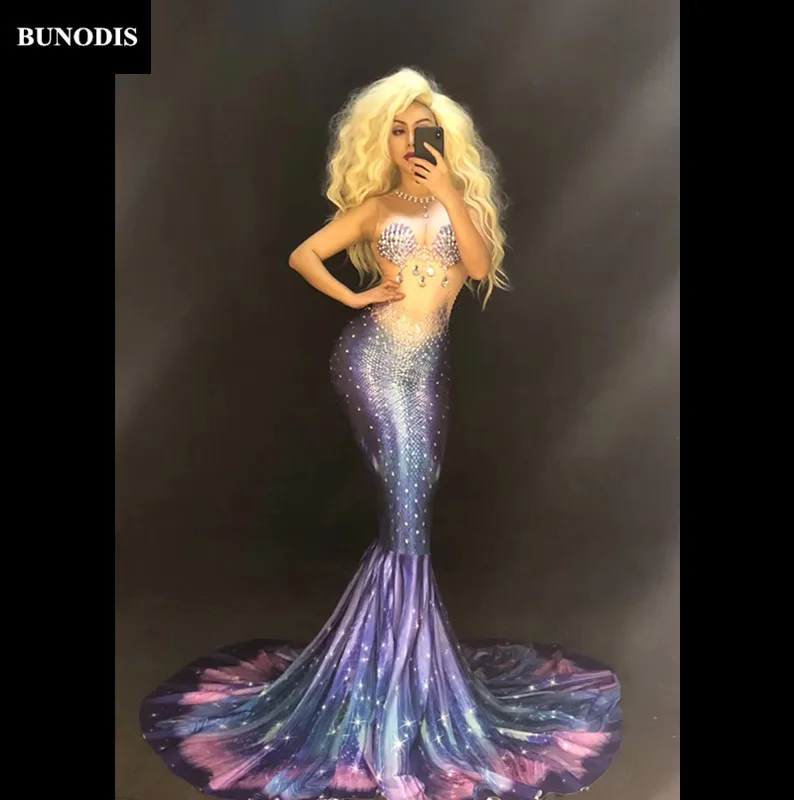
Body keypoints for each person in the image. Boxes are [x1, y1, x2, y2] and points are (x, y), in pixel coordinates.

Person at [140, 67, 622, 800]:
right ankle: (398, 673)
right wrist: (355, 293)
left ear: (443, 138)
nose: (408, 142)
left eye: (421, 130)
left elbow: (479, 265)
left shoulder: (461, 205)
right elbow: (305, 254)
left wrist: (451, 193)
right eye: (397, 130)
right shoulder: (375, 207)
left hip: (426, 370)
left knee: (414, 505)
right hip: (370, 361)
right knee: (406, 507)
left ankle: (402, 665)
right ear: (382, 140)